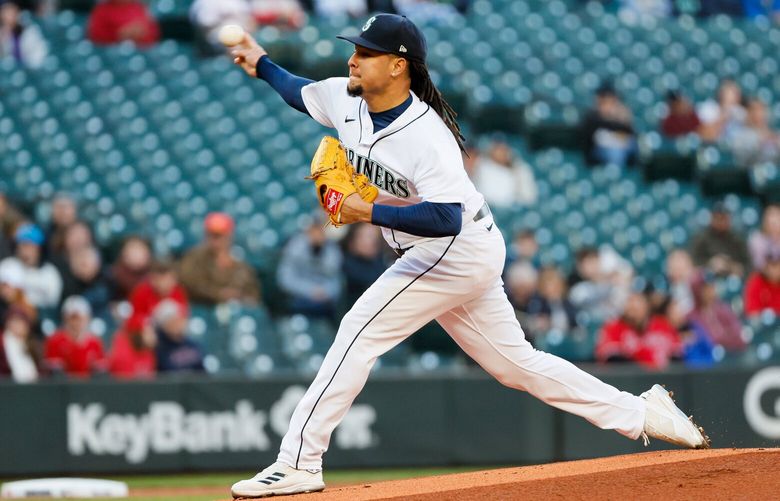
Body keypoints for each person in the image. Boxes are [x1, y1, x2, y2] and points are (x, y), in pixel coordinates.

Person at [228, 13, 709, 498]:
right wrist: (261, 61)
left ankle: (299, 463)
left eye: (366, 52)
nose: (353, 58)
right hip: (458, 251)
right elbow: (298, 91)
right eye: (355, 48)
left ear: (399, 67)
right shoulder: (345, 97)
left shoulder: (425, 134)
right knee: (515, 365)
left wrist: (365, 211)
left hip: (452, 249)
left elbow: (446, 219)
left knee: (359, 330)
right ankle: (642, 413)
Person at [179, 212, 261, 305]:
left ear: (229, 236)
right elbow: (188, 283)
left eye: (219, 236)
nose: (215, 240)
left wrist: (239, 296)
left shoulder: (239, 259)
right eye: (211, 235)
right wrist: (218, 294)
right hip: (203, 306)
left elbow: (253, 292)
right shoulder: (194, 257)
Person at [596, 292, 683, 370]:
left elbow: (677, 356)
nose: (634, 307)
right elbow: (612, 359)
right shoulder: (613, 328)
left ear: (646, 305)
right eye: (630, 302)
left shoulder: (663, 326)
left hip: (662, 380)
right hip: (627, 381)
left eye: (638, 303)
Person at [277, 219, 343, 320]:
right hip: (298, 300)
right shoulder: (296, 246)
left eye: (321, 230)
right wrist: (310, 291)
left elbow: (336, 282)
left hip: (324, 305)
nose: (318, 234)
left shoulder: (332, 250)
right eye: (315, 230)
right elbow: (285, 279)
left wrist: (325, 292)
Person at [0, 223, 63, 309]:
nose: (26, 250)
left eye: (31, 245)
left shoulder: (50, 273)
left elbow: (52, 303)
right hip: (11, 312)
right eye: (23, 245)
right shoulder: (7, 266)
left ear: (39, 248)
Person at [43, 296, 106, 377]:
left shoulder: (95, 342)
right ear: (65, 318)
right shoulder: (55, 341)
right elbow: (52, 373)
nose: (76, 323)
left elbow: (101, 371)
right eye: (73, 318)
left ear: (87, 318)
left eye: (80, 318)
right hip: (63, 388)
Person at [580, 82, 637, 167]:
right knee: (614, 153)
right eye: (603, 98)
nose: (607, 103)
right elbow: (588, 134)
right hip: (596, 156)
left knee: (631, 145)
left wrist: (620, 119)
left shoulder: (621, 115)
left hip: (622, 149)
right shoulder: (591, 115)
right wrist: (613, 120)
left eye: (610, 99)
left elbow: (631, 133)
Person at [688, 201, 750, 277]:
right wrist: (710, 264)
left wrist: (731, 266)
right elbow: (691, 263)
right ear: (712, 218)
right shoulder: (701, 238)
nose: (721, 222)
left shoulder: (738, 239)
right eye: (717, 218)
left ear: (729, 218)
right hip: (707, 282)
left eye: (724, 218)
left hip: (734, 280)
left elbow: (749, 266)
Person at [687, 271, 745, 352]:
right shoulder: (691, 317)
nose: (710, 291)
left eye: (712, 287)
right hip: (709, 362)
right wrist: (725, 336)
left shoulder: (723, 310)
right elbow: (707, 342)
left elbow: (739, 336)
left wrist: (721, 338)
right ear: (697, 291)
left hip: (733, 357)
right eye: (705, 288)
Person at [472, 138, 538, 208]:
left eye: (503, 149)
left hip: (512, 208)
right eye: (498, 148)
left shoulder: (520, 169)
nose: (501, 152)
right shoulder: (482, 166)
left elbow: (529, 198)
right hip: (490, 207)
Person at [128, 259, 188, 325]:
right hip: (148, 328)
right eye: (160, 280)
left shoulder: (178, 292)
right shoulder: (142, 292)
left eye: (168, 280)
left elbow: (183, 315)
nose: (164, 284)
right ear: (152, 280)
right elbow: (134, 319)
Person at [341, 223, 387, 308]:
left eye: (373, 237)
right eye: (365, 236)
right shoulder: (343, 263)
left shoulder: (383, 264)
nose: (370, 241)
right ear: (352, 240)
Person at [152, 299, 204, 373]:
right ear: (163, 325)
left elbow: (203, 373)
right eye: (173, 320)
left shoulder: (193, 345)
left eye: (179, 319)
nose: (179, 323)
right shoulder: (159, 350)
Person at [60, 246, 111, 320]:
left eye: (87, 260)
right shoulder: (64, 286)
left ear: (98, 263)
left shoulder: (107, 285)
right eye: (80, 260)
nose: (84, 263)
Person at [730, 97, 780, 169]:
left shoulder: (775, 134)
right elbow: (741, 160)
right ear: (748, 113)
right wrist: (760, 142)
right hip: (751, 174)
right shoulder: (740, 135)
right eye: (754, 110)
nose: (758, 114)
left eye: (761, 110)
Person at [526, 266, 578, 334]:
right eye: (548, 287)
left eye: (555, 286)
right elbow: (532, 323)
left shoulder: (567, 303)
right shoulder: (538, 304)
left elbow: (574, 323)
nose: (552, 290)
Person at [87, 0, 160, 47]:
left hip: (140, 53)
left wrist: (141, 34)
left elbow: (153, 34)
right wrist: (120, 35)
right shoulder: (102, 10)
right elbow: (96, 37)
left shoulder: (139, 8)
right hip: (112, 55)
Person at [0, 0, 47, 68]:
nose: (7, 16)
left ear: (17, 10)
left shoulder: (30, 31)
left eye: (10, 10)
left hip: (31, 72)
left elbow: (38, 60)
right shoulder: (3, 34)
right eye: (3, 12)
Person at [697, 79, 745, 144]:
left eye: (737, 93)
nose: (736, 96)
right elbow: (703, 133)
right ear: (721, 93)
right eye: (732, 92)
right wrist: (724, 116)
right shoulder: (708, 108)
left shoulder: (740, 111)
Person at [109, 235, 152, 301]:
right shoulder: (111, 277)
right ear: (122, 254)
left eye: (139, 249)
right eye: (132, 249)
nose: (135, 254)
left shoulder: (156, 277)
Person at [744, 248, 780, 316]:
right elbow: (752, 313)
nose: (775, 269)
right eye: (772, 265)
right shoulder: (756, 281)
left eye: (777, 265)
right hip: (764, 324)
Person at [45, 194, 78, 261]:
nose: (63, 212)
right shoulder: (46, 235)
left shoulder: (83, 232)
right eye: (59, 207)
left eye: (66, 207)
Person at [749, 204, 780, 270]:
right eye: (771, 222)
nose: (774, 224)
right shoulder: (757, 239)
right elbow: (759, 266)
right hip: (762, 277)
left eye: (777, 219)